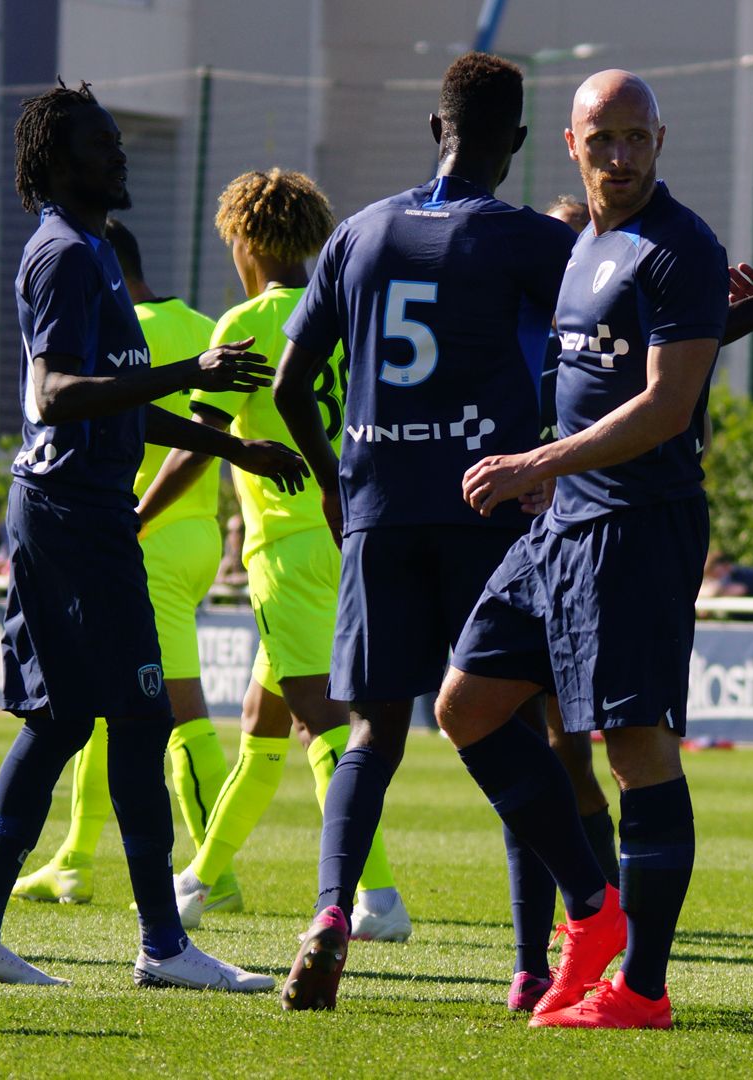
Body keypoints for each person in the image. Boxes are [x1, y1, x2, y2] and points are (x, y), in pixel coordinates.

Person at [282, 66, 753, 1028]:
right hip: (530, 516)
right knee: (482, 714)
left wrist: (493, 466)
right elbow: (635, 336)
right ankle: (571, 928)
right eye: (604, 140)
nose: (621, 155)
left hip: (566, 515)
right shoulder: (566, 241)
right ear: (552, 145)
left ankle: (622, 977)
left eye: (637, 138)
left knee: (578, 747)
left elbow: (665, 382)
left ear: (660, 142)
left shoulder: (663, 239)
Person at [0, 81, 305, 991]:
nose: (120, 155)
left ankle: (7, 936)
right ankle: (142, 945)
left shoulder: (94, 248)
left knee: (91, 722)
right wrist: (197, 370)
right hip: (67, 521)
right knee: (108, 718)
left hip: (90, 519)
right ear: (61, 162)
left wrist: (232, 445)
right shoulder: (63, 254)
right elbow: (55, 395)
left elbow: (126, 404)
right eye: (103, 144)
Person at [268, 53, 595, 1014]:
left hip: (377, 508)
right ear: (521, 143)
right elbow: (626, 316)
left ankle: (331, 918)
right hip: (484, 510)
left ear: (433, 128)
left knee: (372, 730)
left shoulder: (360, 233)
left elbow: (292, 387)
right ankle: (533, 965)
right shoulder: (526, 239)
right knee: (508, 723)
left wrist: (337, 484)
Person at [151, 167, 407, 941]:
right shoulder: (353, 310)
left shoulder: (248, 322)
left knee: (325, 728)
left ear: (244, 238)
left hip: (287, 549)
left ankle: (381, 900)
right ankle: (199, 879)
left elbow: (198, 446)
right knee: (264, 727)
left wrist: (134, 518)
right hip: (352, 535)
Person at [11, 218, 236, 912]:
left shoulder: (115, 327)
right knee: (110, 702)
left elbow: (117, 416)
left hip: (140, 528)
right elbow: (206, 424)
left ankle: (211, 870)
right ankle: (75, 858)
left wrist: (138, 518)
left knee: (164, 706)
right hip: (197, 529)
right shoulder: (202, 322)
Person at [216, 513, 248, 587]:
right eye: (230, 531)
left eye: (239, 530)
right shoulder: (229, 558)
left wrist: (240, 578)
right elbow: (216, 577)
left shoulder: (252, 556)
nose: (234, 535)